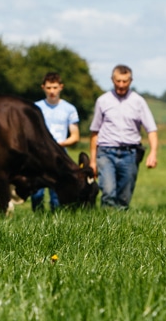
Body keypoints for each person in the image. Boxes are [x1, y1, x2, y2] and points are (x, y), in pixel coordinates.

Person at [89, 64, 158, 209]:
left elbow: (151, 129)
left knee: (124, 196)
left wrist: (153, 153)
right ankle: (105, 226)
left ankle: (120, 227)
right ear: (112, 79)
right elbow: (94, 131)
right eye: (118, 81)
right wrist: (93, 161)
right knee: (108, 191)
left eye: (125, 81)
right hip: (106, 152)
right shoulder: (103, 101)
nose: (121, 85)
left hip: (130, 154)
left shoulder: (138, 102)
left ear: (130, 81)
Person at [31, 72, 80, 211]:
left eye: (54, 87)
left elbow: (75, 136)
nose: (52, 91)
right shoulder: (35, 108)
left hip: (59, 154)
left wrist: (59, 145)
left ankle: (56, 222)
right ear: (43, 88)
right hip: (39, 154)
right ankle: (37, 221)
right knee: (36, 193)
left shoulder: (69, 109)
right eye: (48, 88)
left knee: (57, 193)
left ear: (61, 87)